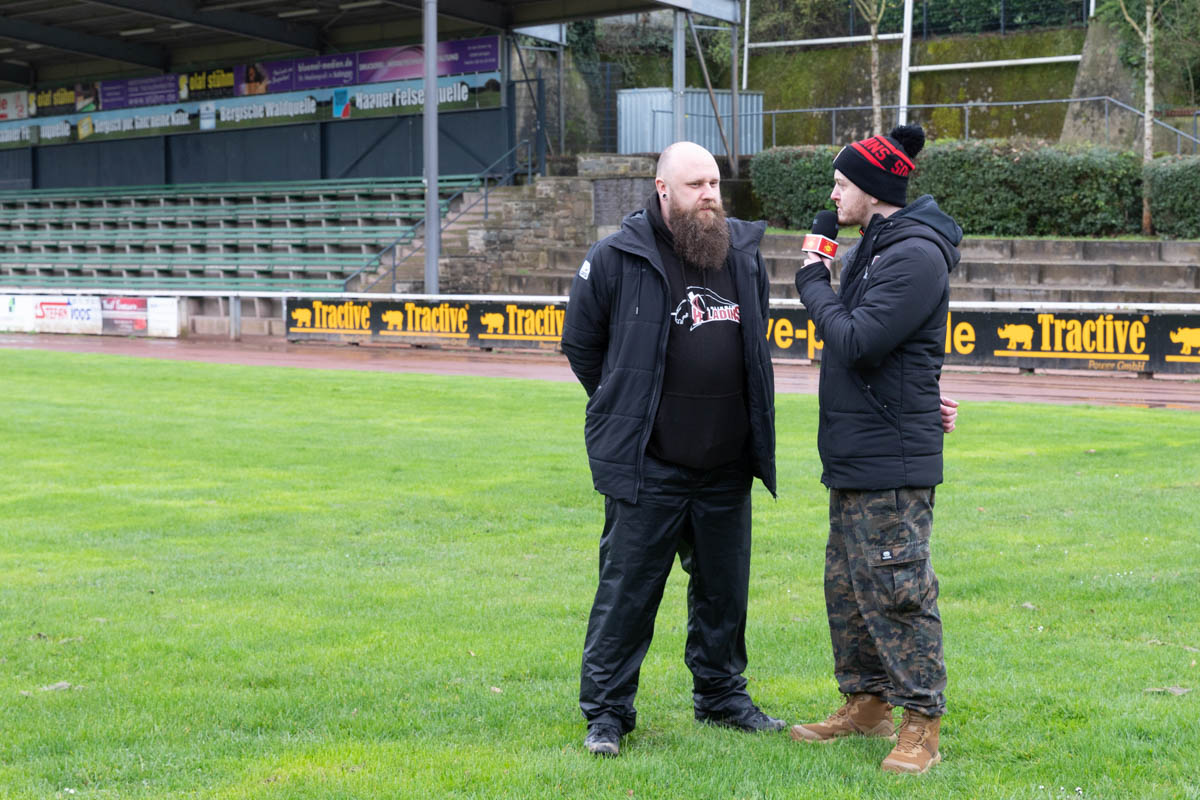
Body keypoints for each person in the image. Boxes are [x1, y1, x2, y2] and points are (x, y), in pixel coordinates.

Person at [561, 141, 784, 757]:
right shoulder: (616, 256)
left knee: (723, 594)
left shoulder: (742, 254)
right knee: (627, 594)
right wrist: (626, 405)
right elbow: (581, 345)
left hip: (726, 465)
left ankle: (721, 697)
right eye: (695, 185)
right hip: (650, 465)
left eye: (714, 183)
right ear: (663, 189)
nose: (709, 195)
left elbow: (754, 341)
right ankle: (607, 714)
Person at [788, 124, 962, 775]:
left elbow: (858, 341)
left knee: (898, 591)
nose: (834, 195)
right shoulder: (873, 247)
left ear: (871, 188)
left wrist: (813, 279)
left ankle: (922, 723)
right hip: (857, 452)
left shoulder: (914, 255)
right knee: (850, 589)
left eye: (841, 184)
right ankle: (866, 704)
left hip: (891, 459)